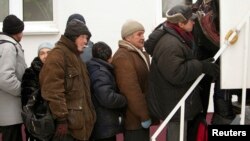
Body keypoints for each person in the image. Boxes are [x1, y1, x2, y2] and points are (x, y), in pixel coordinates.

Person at [145, 5, 219, 141]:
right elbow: (176, 73)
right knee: (177, 135)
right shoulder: (170, 43)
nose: (194, 22)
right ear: (180, 23)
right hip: (175, 103)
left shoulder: (178, 36)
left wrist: (202, 63)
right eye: (191, 20)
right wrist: (201, 66)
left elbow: (183, 61)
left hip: (176, 98)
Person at [39, 19, 96, 141]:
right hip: (67, 129)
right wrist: (61, 119)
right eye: (83, 37)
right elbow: (52, 90)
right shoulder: (58, 55)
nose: (86, 41)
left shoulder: (76, 56)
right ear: (73, 37)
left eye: (87, 38)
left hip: (80, 126)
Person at [112, 20, 151, 141]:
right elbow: (130, 90)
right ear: (128, 37)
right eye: (139, 34)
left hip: (139, 116)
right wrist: (144, 115)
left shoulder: (136, 53)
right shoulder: (123, 56)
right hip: (134, 119)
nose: (143, 38)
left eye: (143, 34)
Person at [87, 41, 127, 141]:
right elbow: (107, 98)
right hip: (104, 124)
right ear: (109, 57)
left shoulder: (94, 67)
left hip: (101, 122)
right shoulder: (100, 72)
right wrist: (124, 99)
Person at [0, 14, 27, 141]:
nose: (22, 34)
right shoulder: (9, 47)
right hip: (9, 114)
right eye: (21, 30)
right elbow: (5, 78)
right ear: (16, 31)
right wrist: (23, 90)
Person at [21, 42, 53, 141]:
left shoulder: (58, 70)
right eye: (42, 53)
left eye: (48, 52)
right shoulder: (31, 72)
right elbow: (26, 99)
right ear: (38, 55)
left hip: (56, 119)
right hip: (39, 120)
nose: (45, 56)